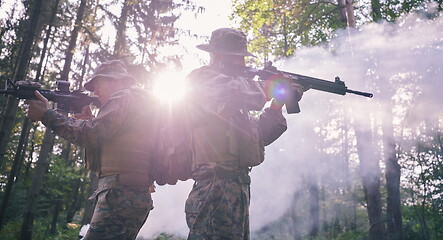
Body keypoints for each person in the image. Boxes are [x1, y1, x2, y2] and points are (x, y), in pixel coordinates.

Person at [184, 28, 305, 239]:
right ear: (218, 55)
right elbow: (233, 91)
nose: (242, 62)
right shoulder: (204, 78)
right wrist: (272, 87)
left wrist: (277, 104)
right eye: (237, 57)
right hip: (214, 187)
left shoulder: (236, 105)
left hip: (235, 188)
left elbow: (258, 137)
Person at [25, 60, 156, 240]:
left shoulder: (124, 97)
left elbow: (91, 135)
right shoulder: (134, 100)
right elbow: (103, 141)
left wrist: (48, 115)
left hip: (121, 194)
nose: (94, 91)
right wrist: (88, 120)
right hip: (128, 193)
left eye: (97, 84)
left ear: (115, 80)